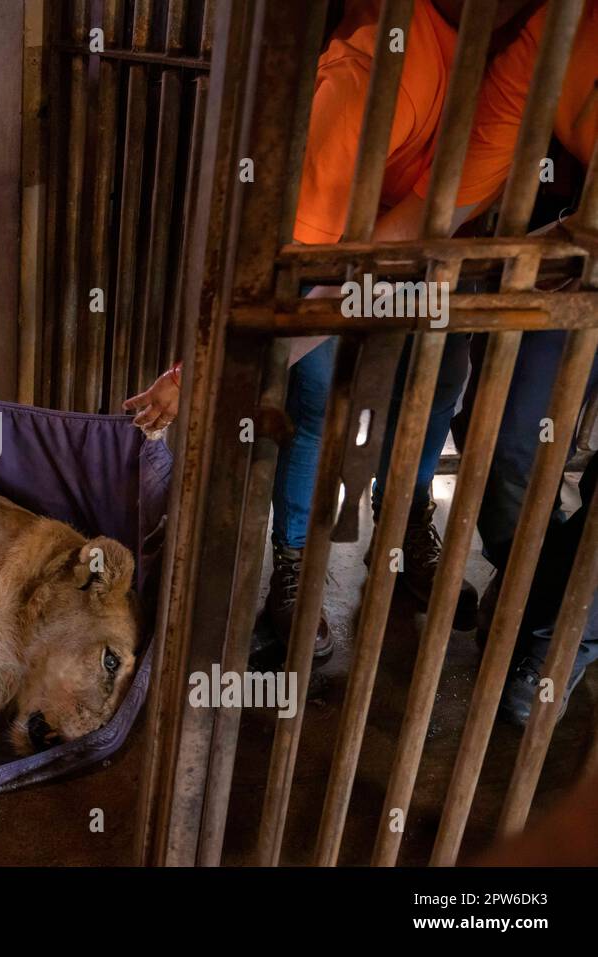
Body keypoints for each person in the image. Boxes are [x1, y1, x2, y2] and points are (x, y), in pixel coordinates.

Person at [126, 0, 540, 659]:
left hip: (429, 243)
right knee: (314, 397)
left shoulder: (528, 63)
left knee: (436, 386)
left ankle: (402, 529)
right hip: (337, 248)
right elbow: (311, 284)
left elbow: (427, 226)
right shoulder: (373, 78)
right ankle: (290, 566)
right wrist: (195, 372)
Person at [436, 0, 598, 724]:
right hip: (577, 256)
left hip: (577, 240)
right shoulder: (561, 25)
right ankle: (539, 579)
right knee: (505, 432)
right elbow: (449, 197)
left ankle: (561, 636)